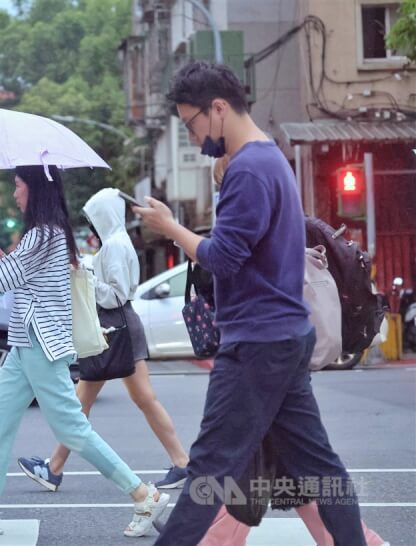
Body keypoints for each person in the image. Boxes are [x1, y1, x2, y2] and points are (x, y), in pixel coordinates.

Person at [132, 62, 366, 546]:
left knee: (209, 470)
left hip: (258, 341)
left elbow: (224, 257)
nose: (195, 137)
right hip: (281, 335)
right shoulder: (267, 160)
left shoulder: (250, 170)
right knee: (318, 466)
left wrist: (171, 227)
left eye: (192, 123)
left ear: (218, 109)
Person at [0, 165, 170, 538]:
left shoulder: (42, 236)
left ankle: (143, 493)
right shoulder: (49, 235)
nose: (15, 194)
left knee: (72, 428)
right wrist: (9, 264)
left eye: (18, 187)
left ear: (34, 190)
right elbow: (18, 281)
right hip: (24, 344)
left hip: (40, 344)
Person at [17, 187, 189, 492]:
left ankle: (54, 468)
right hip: (119, 327)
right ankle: (54, 467)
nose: (93, 225)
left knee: (98, 401)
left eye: (95, 218)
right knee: (101, 401)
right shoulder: (116, 243)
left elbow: (115, 295)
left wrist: (85, 276)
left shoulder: (115, 246)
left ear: (104, 216)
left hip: (113, 327)